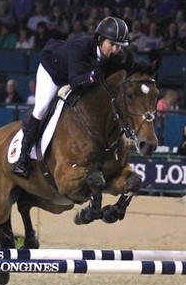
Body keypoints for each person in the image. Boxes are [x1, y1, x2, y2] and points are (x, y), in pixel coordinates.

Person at [11, 16, 130, 178]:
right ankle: (22, 157)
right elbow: (75, 82)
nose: (115, 50)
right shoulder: (81, 47)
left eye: (119, 46)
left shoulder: (115, 55)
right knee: (42, 108)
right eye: (112, 44)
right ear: (101, 39)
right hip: (54, 72)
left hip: (78, 75)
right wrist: (96, 74)